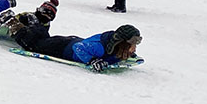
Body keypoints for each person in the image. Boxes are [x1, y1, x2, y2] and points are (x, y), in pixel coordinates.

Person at [9, 20, 142, 72]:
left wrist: (131, 55)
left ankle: (34, 26)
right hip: (62, 47)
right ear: (122, 44)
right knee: (33, 46)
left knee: (42, 40)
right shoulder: (100, 48)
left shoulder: (114, 46)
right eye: (132, 45)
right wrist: (92, 60)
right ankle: (14, 25)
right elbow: (78, 47)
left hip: (68, 42)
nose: (134, 48)